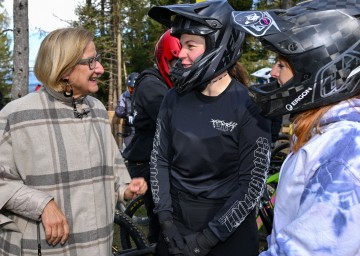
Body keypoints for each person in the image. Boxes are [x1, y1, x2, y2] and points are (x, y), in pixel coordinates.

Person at [0, 27, 147, 256]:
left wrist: (125, 189)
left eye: (97, 60)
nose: (100, 68)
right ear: (65, 68)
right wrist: (41, 204)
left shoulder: (97, 110)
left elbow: (113, 170)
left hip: (99, 247)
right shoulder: (17, 116)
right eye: (91, 62)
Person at [231, 1, 360, 255]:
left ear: (318, 69)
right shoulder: (324, 132)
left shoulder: (343, 153)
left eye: (282, 63)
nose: (273, 73)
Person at [147, 1, 272, 255]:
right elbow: (159, 160)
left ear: (218, 45)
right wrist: (166, 221)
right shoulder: (173, 98)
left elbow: (252, 182)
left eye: (191, 46)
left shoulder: (248, 105)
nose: (181, 53)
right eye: (181, 45)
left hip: (227, 233)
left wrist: (208, 238)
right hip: (176, 228)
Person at [122, 29, 181, 244]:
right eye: (175, 63)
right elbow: (173, 120)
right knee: (163, 222)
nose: (180, 68)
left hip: (158, 158)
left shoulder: (164, 83)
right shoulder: (150, 84)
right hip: (145, 161)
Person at [251, 68, 283, 146]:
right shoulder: (256, 95)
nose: (258, 83)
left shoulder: (275, 98)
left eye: (261, 81)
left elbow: (277, 120)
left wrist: (273, 139)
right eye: (258, 80)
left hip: (266, 137)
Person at [115, 72, 139, 148]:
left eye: (133, 88)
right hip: (129, 130)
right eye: (130, 88)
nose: (131, 91)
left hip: (142, 129)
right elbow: (119, 110)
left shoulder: (143, 95)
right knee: (128, 150)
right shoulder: (124, 96)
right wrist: (127, 115)